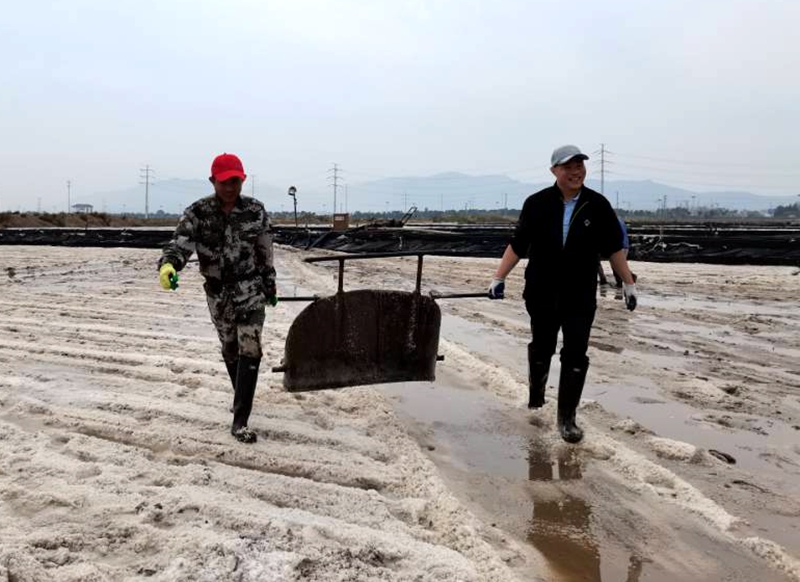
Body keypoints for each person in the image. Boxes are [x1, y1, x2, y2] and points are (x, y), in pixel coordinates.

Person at [487, 145, 637, 444]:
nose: (576, 172)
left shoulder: (597, 205)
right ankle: (536, 399)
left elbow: (613, 249)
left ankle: (567, 419)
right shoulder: (537, 203)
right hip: (541, 290)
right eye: (568, 167)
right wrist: (499, 278)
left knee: (576, 351)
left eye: (580, 166)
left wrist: (628, 283)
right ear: (554, 170)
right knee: (542, 346)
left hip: (579, 294)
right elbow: (518, 244)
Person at [158, 153, 277, 444]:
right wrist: (169, 265)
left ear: (242, 180)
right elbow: (180, 245)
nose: (230, 187)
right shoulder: (197, 213)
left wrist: (269, 285)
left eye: (235, 181)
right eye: (224, 182)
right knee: (230, 347)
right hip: (218, 293)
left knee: (251, 346)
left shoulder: (255, 211)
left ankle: (240, 421)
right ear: (213, 181)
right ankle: (241, 396)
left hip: (250, 289)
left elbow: (265, 250)